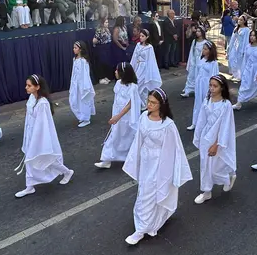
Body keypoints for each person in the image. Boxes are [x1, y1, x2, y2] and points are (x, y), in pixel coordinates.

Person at [122, 88, 191, 245]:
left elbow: (175, 150)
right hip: (146, 163)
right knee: (144, 192)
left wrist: (171, 172)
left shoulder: (168, 125)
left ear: (161, 104)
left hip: (160, 165)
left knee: (151, 193)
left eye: (153, 102)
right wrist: (135, 161)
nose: (149, 104)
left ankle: (141, 229)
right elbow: (138, 141)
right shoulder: (143, 118)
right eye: (148, 101)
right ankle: (148, 225)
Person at [14, 75, 74, 198]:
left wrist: (36, 141)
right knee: (31, 159)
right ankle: (29, 186)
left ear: (37, 87)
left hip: (41, 136)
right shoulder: (32, 98)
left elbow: (42, 125)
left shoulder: (42, 103)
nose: (26, 87)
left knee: (47, 159)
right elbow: (29, 119)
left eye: (29, 85)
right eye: (27, 85)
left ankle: (67, 172)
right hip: (31, 134)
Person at [193, 76, 237, 205]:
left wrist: (217, 144)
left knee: (216, 167)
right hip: (206, 137)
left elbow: (225, 126)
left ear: (222, 87)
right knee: (205, 166)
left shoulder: (226, 105)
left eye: (215, 86)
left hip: (218, 139)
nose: (212, 88)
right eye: (210, 85)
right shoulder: (207, 100)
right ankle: (207, 192)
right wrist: (198, 136)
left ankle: (228, 177)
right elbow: (201, 120)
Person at [95, 63, 142, 168]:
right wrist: (115, 115)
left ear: (123, 73)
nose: (115, 72)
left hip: (126, 118)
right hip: (117, 115)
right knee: (113, 136)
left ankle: (132, 157)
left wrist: (118, 116)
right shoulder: (118, 83)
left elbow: (130, 104)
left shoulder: (133, 87)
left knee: (128, 137)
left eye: (117, 70)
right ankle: (106, 159)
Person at [187, 40, 220, 131]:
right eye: (203, 49)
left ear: (210, 50)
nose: (203, 51)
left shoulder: (214, 63)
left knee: (207, 103)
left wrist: (212, 88)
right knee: (198, 103)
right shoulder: (201, 59)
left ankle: (207, 123)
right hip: (199, 84)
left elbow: (214, 76)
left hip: (207, 85)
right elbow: (197, 72)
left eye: (205, 49)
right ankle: (195, 122)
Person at [233, 29, 257, 110]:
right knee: (244, 85)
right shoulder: (248, 46)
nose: (252, 37)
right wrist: (242, 70)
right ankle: (239, 103)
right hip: (248, 69)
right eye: (251, 35)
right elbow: (245, 59)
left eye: (254, 35)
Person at [130, 29, 162, 108]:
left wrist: (149, 72)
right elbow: (134, 57)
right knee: (137, 85)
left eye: (142, 36)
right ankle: (141, 104)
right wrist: (131, 68)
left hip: (145, 69)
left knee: (142, 86)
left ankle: (143, 104)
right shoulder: (138, 45)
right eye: (140, 36)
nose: (140, 37)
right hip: (138, 67)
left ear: (147, 37)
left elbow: (151, 60)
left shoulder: (149, 47)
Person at [69, 41, 96, 128]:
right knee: (74, 100)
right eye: (73, 48)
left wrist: (85, 86)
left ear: (80, 50)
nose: (74, 49)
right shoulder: (75, 59)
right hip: (75, 84)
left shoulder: (83, 61)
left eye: (75, 48)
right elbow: (74, 73)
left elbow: (85, 74)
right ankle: (82, 116)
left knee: (84, 100)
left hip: (83, 85)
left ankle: (86, 118)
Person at [181, 26, 208, 97]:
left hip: (201, 62)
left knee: (199, 76)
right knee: (190, 76)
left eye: (199, 31)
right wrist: (191, 61)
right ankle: (187, 91)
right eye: (197, 31)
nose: (197, 33)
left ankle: (199, 90)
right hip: (194, 61)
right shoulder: (194, 41)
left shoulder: (206, 42)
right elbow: (192, 52)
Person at [228, 16, 250, 82]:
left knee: (240, 61)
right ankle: (234, 73)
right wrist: (229, 47)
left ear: (244, 21)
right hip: (235, 46)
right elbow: (233, 38)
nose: (239, 21)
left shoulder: (247, 30)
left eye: (241, 20)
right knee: (231, 59)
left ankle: (239, 75)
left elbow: (246, 40)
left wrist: (244, 50)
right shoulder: (236, 28)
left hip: (241, 47)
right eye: (239, 19)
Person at [92, 17, 114, 83]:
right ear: (102, 23)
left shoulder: (107, 29)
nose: (107, 23)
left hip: (108, 47)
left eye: (107, 22)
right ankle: (101, 78)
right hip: (102, 47)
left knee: (107, 62)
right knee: (102, 62)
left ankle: (106, 76)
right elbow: (94, 40)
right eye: (106, 22)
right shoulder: (99, 30)